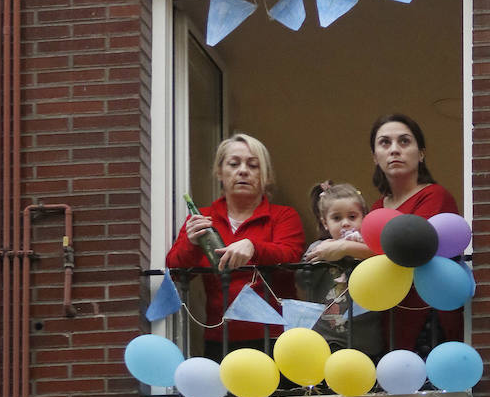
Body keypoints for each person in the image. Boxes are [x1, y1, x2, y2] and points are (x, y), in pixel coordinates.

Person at [166, 133, 305, 359]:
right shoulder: (203, 218)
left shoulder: (283, 216)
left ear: (266, 176)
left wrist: (254, 246)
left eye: (253, 165)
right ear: (219, 173)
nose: (243, 170)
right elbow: (174, 272)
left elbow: (291, 256)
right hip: (220, 338)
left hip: (278, 337)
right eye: (234, 164)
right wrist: (191, 243)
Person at [368, 113, 463, 353]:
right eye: (385, 143)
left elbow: (409, 248)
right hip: (392, 317)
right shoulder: (377, 207)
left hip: (429, 315)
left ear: (421, 154)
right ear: (375, 157)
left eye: (404, 141)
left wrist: (344, 248)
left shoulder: (435, 196)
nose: (394, 150)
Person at [297, 180, 381, 356]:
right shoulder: (320, 247)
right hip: (327, 339)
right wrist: (320, 256)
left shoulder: (369, 248)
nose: (345, 223)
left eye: (352, 217)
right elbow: (303, 281)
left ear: (364, 218)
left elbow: (384, 262)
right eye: (336, 218)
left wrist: (355, 249)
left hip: (365, 341)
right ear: (325, 223)